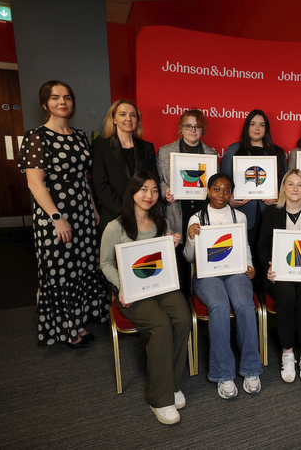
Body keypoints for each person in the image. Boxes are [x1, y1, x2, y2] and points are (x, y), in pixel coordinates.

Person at [18, 80, 107, 348]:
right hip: (54, 216)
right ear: (45, 104)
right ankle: (66, 330)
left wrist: (91, 208)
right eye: (55, 97)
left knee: (81, 266)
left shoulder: (80, 136)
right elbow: (35, 183)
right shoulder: (37, 136)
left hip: (81, 210)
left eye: (67, 97)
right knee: (60, 271)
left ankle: (78, 321)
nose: (62, 102)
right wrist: (57, 218)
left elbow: (83, 178)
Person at [100, 171, 191, 425]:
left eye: (153, 190)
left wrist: (171, 245)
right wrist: (122, 287)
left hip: (160, 286)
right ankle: (159, 399)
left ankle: (172, 384)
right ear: (132, 193)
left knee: (183, 317)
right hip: (132, 293)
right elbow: (105, 264)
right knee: (160, 325)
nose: (149, 195)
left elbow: (164, 263)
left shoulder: (161, 222)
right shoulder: (115, 227)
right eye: (144, 190)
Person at [184, 173, 263, 399]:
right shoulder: (196, 218)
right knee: (218, 305)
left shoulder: (239, 216)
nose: (221, 194)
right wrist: (191, 239)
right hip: (207, 275)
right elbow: (189, 258)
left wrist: (249, 265)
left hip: (234, 272)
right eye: (217, 189)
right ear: (208, 191)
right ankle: (223, 373)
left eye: (226, 191)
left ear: (232, 194)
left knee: (245, 305)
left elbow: (244, 246)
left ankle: (250, 369)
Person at [257, 169, 301, 383]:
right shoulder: (271, 212)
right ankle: (287, 353)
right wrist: (268, 267)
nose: (295, 189)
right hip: (280, 272)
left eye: (299, 184)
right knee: (286, 298)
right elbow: (261, 246)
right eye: (290, 184)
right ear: (283, 188)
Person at [221, 110, 287, 289]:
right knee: (245, 258)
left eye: (262, 124)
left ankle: (266, 297)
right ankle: (248, 298)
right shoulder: (234, 150)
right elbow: (223, 182)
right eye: (253, 124)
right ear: (247, 127)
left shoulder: (278, 153)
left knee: (267, 256)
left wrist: (279, 197)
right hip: (242, 212)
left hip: (270, 213)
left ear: (267, 128)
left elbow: (285, 185)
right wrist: (229, 201)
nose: (257, 128)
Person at [157, 109, 218, 290]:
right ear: (180, 128)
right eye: (188, 126)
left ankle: (200, 297)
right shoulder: (165, 152)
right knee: (178, 261)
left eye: (197, 127)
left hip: (201, 211)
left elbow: (215, 186)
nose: (193, 130)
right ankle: (183, 299)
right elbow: (159, 180)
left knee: (201, 257)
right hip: (176, 211)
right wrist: (165, 191)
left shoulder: (211, 154)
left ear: (202, 130)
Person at [92, 99, 159, 232]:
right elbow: (100, 185)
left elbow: (153, 181)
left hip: (143, 218)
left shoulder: (147, 147)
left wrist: (140, 210)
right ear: (114, 119)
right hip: (114, 216)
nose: (128, 118)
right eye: (123, 114)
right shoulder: (101, 146)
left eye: (133, 115)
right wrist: (125, 210)